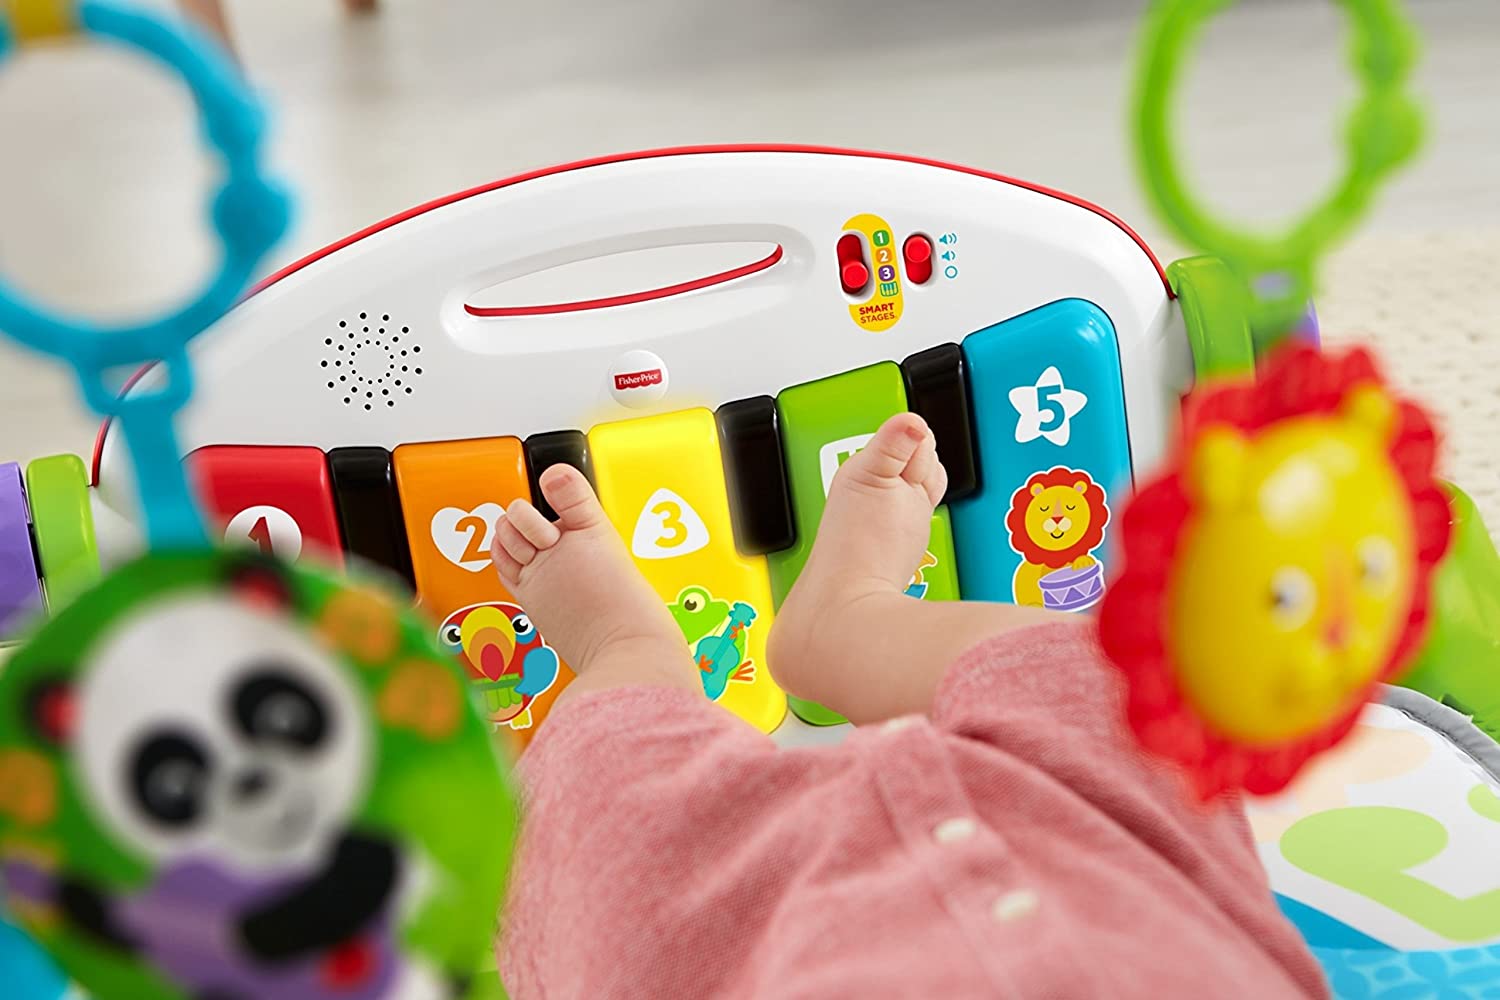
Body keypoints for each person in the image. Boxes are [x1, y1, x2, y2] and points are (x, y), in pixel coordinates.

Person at [492, 412, 1328, 998]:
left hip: (739, 933)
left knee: (595, 833)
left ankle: (626, 652)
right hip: (1118, 881)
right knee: (1120, 692)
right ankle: (848, 619)